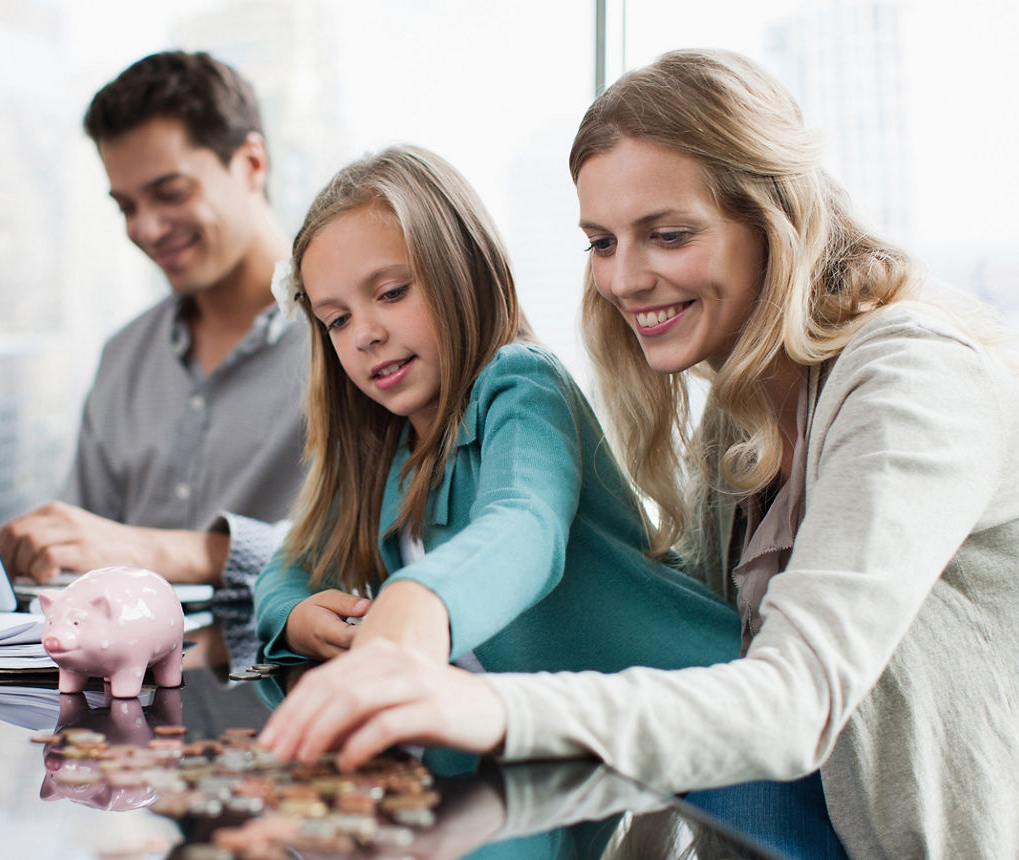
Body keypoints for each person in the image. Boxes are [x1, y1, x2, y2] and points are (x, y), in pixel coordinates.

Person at [257, 50, 1019, 859]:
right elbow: (693, 717)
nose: (625, 279)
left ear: (773, 218)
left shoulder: (911, 381)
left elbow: (792, 701)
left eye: (667, 236)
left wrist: (482, 703)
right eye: (601, 243)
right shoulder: (738, 429)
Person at [253, 145, 739, 681]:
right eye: (338, 320)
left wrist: (420, 600)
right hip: (553, 753)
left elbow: (524, 524)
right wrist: (295, 617)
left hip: (698, 721)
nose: (367, 334)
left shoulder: (522, 384)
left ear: (463, 273)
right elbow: (288, 565)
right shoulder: (380, 448)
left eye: (391, 294)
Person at [0, 51, 307, 664]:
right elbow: (82, 560)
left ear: (251, 164)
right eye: (126, 206)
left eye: (169, 193)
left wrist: (155, 551)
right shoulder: (123, 358)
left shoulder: (350, 339)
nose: (146, 227)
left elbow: (381, 552)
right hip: (125, 717)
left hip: (286, 704)